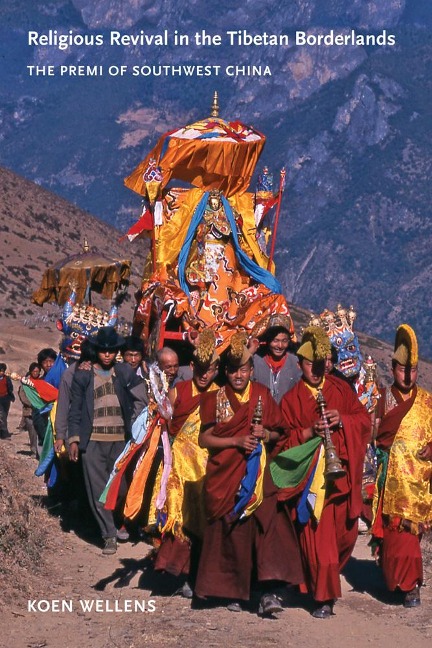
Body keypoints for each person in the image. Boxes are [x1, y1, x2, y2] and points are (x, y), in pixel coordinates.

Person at [194, 332, 303, 616]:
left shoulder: (262, 395)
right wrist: (235, 441)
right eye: (232, 370)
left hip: (258, 476)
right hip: (227, 474)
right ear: (226, 371)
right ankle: (233, 592)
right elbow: (204, 439)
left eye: (243, 369)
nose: (238, 375)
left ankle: (268, 592)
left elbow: (281, 432)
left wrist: (265, 433)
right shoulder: (215, 398)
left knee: (269, 527)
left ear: (252, 371)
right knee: (232, 533)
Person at [275, 326, 370, 618]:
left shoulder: (340, 389)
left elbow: (365, 421)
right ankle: (323, 597)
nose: (315, 371)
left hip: (340, 477)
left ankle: (315, 581)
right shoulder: (291, 399)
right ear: (299, 364)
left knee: (346, 536)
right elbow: (281, 443)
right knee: (320, 540)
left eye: (320, 365)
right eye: (308, 365)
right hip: (310, 485)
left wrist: (343, 419)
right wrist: (306, 432)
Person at [68, 327, 148, 555]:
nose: (107, 355)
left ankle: (114, 522)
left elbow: (142, 393)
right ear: (97, 351)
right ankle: (109, 535)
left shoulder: (123, 372)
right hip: (92, 441)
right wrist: (74, 439)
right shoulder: (83, 374)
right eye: (103, 350)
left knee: (120, 488)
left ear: (116, 352)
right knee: (97, 491)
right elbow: (75, 409)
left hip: (120, 441)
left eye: (111, 351)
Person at [371, 324, 432, 608]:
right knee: (392, 534)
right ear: (392, 368)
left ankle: (411, 586)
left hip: (417, 484)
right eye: (402, 370)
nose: (408, 376)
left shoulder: (428, 403)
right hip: (391, 481)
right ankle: (394, 580)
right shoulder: (384, 400)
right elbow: (375, 437)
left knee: (409, 537)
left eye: (413, 370)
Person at [154, 332, 220, 596]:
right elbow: (164, 427)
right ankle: (178, 572)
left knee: (203, 520)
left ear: (217, 370)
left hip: (206, 466)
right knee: (179, 518)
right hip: (179, 467)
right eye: (200, 370)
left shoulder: (220, 395)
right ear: (192, 367)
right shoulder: (178, 391)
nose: (205, 376)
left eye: (211, 370)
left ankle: (198, 576)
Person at [252, 315, 301, 403]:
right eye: (275, 341)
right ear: (268, 340)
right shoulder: (256, 360)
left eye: (284, 341)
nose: (280, 346)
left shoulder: (295, 363)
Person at [18, 363, 40, 455]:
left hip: (40, 412)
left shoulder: (41, 382)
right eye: (34, 371)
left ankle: (40, 451)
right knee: (32, 432)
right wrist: (33, 403)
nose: (36, 373)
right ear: (31, 371)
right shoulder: (25, 383)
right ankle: (34, 450)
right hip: (29, 412)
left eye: (37, 371)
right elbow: (22, 396)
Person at [0, 363, 15, 440]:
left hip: (6, 399)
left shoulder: (7, 379)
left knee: (4, 416)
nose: (1, 372)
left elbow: (10, 388)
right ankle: (4, 434)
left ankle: (2, 432)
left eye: (2, 371)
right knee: (2, 416)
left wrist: (11, 396)